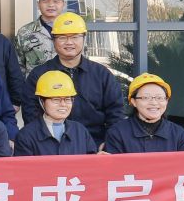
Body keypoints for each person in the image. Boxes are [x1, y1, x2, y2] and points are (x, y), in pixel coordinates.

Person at [21, 12, 124, 143]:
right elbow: (30, 114)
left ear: (84, 38)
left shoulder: (102, 74)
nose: (69, 42)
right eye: (62, 37)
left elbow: (116, 113)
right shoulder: (39, 75)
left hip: (96, 145)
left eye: (75, 37)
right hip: (50, 145)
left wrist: (109, 143)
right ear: (53, 40)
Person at [102, 73, 184, 154]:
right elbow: (113, 166)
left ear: (166, 101)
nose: (154, 102)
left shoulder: (179, 134)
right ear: (133, 101)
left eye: (159, 98)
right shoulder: (117, 133)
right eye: (146, 97)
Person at [13, 71, 98, 156]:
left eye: (67, 99)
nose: (63, 104)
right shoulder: (26, 135)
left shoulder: (80, 131)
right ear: (42, 102)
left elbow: (91, 161)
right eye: (56, 100)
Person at [15, 0, 68, 73]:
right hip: (35, 81)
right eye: (45, 1)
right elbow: (18, 66)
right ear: (38, 4)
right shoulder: (24, 32)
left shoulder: (73, 30)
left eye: (56, 1)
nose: (51, 5)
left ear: (64, 4)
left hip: (66, 81)